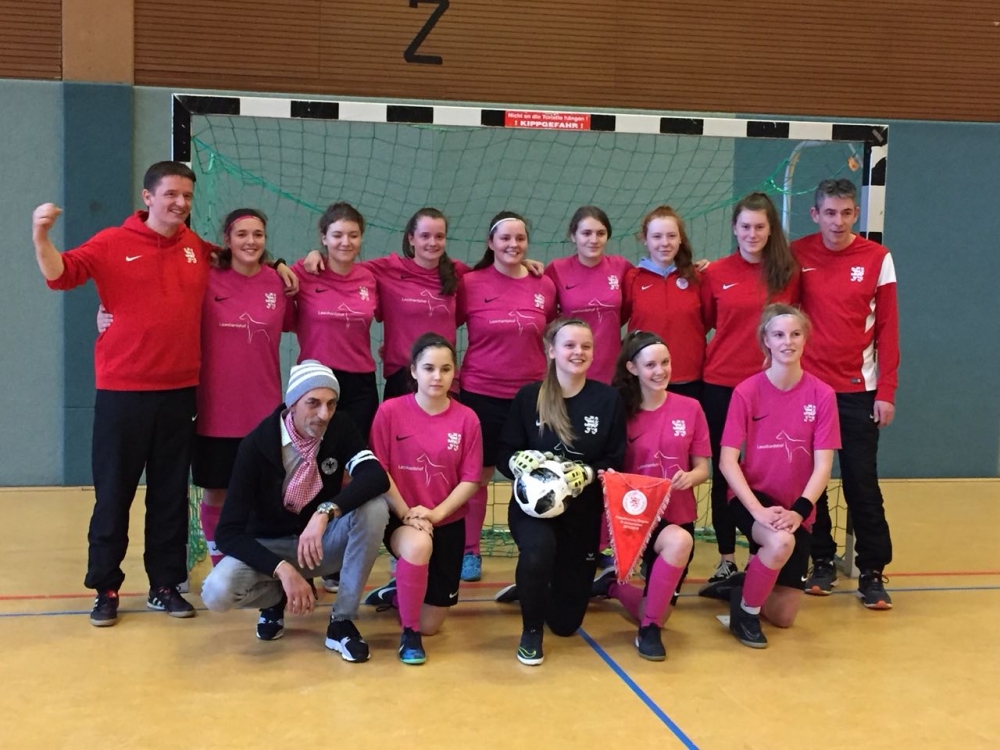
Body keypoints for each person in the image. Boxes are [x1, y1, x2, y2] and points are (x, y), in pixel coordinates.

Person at [32, 161, 294, 628]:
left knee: (170, 496)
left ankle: (165, 585)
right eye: (171, 194)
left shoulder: (196, 248)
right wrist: (41, 235)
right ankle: (106, 588)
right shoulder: (112, 242)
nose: (180, 203)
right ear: (148, 197)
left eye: (187, 196)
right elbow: (62, 274)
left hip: (180, 393)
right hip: (123, 392)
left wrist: (278, 263)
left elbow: (241, 252)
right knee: (114, 495)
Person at [201, 360, 390, 662]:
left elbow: (375, 476)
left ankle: (342, 621)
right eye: (313, 403)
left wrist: (325, 512)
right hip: (270, 548)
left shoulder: (340, 427)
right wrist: (282, 570)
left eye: (331, 403)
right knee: (216, 592)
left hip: (318, 546)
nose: (324, 414)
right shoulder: (256, 445)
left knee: (375, 508)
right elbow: (227, 533)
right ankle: (276, 599)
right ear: (292, 404)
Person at [793, 179, 899, 609]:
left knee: (861, 483)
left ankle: (872, 571)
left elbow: (888, 330)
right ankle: (820, 561)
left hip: (859, 392)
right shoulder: (796, 254)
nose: (838, 221)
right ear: (815, 214)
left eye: (846, 213)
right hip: (808, 391)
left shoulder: (877, 258)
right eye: (830, 213)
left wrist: (886, 390)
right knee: (809, 484)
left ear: (856, 213)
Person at [497, 318, 626, 665]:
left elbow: (615, 459)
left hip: (581, 512)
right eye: (569, 345)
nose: (578, 352)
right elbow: (504, 453)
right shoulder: (530, 397)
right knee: (538, 550)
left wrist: (587, 472)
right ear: (552, 350)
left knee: (566, 625)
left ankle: (535, 585)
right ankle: (531, 630)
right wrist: (516, 461)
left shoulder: (607, 399)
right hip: (533, 510)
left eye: (585, 346)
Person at [718, 304, 840, 648]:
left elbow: (823, 466)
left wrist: (799, 511)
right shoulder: (746, 391)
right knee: (780, 542)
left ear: (805, 339)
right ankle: (746, 613)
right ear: (766, 341)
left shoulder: (822, 395)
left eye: (795, 334)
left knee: (784, 617)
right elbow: (727, 461)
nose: (788, 341)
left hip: (796, 508)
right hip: (752, 500)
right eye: (779, 335)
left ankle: (743, 586)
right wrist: (757, 510)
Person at [699, 192, 800, 590]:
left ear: (771, 230)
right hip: (721, 385)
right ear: (734, 228)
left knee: (772, 467)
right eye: (745, 226)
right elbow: (710, 320)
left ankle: (770, 551)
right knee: (726, 472)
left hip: (771, 388)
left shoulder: (788, 273)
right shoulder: (714, 272)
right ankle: (726, 559)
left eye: (760, 226)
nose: (752, 234)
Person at [591, 331, 710, 660]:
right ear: (632, 368)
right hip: (632, 518)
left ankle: (615, 587)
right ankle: (648, 631)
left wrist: (690, 477)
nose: (660, 371)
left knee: (657, 606)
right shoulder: (619, 412)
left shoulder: (690, 407)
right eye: (651, 365)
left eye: (665, 363)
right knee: (652, 610)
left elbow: (703, 468)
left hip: (675, 515)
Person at [364, 334, 483, 664]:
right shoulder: (390, 412)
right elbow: (379, 470)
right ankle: (409, 633)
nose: (437, 376)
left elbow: (471, 480)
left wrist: (435, 514)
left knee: (433, 625)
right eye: (429, 368)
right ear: (414, 371)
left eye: (445, 369)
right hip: (401, 517)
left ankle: (398, 592)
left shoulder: (467, 419)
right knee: (417, 545)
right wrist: (407, 513)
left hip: (446, 521)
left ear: (454, 372)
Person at [456, 211, 557, 582]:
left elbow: (555, 333)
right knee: (477, 475)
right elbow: (442, 321)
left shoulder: (544, 284)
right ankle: (469, 551)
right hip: (480, 393)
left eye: (520, 238)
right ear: (491, 242)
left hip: (532, 397)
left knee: (534, 474)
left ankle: (534, 552)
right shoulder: (469, 283)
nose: (513, 245)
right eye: (505, 238)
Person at [289, 202, 379, 441]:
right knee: (313, 453)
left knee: (354, 454)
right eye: (337, 235)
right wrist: (281, 263)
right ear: (324, 238)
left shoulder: (370, 277)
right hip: (315, 379)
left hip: (360, 384)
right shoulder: (303, 273)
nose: (345, 242)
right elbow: (269, 273)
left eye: (353, 235)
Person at [622, 205, 706, 400]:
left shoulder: (697, 277)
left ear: (680, 239)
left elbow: (707, 319)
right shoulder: (632, 278)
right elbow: (620, 317)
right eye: (657, 236)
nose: (665, 243)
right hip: (645, 379)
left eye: (671, 236)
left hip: (689, 378)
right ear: (645, 240)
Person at [544, 206, 632, 384]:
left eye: (600, 233)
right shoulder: (556, 269)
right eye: (586, 233)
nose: (594, 240)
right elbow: (543, 318)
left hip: (612, 369)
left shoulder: (621, 266)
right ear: (573, 236)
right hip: (571, 369)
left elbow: (627, 309)